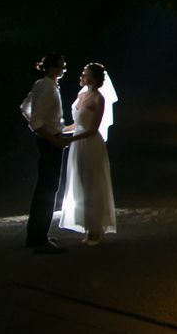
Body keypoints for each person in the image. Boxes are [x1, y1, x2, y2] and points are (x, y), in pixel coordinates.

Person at [59, 61, 117, 244]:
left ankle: (95, 229)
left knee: (92, 184)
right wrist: (62, 131)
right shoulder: (81, 95)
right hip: (78, 143)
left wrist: (71, 139)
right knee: (81, 183)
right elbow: (77, 124)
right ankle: (86, 225)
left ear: (92, 77)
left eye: (85, 73)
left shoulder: (99, 98)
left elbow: (93, 129)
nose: (81, 75)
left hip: (90, 144)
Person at [18, 53, 67, 254]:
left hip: (48, 138)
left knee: (47, 186)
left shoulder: (42, 84)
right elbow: (35, 120)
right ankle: (39, 238)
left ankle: (38, 234)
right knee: (48, 187)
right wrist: (51, 135)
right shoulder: (47, 87)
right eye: (62, 66)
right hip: (50, 141)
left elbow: (24, 107)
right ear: (53, 68)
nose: (64, 69)